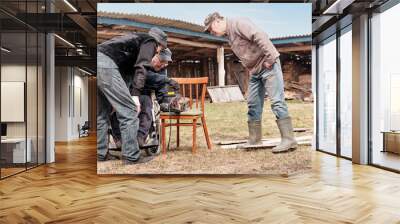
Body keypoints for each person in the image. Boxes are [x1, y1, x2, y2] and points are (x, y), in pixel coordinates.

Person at [204, 12, 297, 153]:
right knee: (253, 104)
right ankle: (255, 139)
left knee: (277, 102)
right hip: (255, 71)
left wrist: (270, 59)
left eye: (211, 29)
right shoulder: (229, 35)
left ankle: (289, 140)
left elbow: (260, 35)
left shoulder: (238, 23)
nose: (212, 32)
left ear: (217, 21)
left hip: (268, 65)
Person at [97, 27, 167, 164]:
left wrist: (119, 98)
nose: (157, 52)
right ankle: (131, 156)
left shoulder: (132, 47)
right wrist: (135, 97)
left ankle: (100, 154)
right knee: (129, 111)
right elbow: (142, 67)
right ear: (159, 45)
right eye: (160, 50)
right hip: (105, 65)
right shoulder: (149, 41)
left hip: (98, 62)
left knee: (102, 114)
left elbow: (126, 77)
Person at [110, 48, 178, 148]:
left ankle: (140, 137)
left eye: (165, 63)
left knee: (147, 103)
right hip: (127, 91)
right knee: (116, 107)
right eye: (161, 61)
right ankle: (119, 138)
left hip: (143, 95)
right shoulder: (142, 60)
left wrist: (165, 101)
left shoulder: (162, 69)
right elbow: (145, 76)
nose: (163, 65)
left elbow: (161, 87)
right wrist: (166, 79)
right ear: (155, 56)